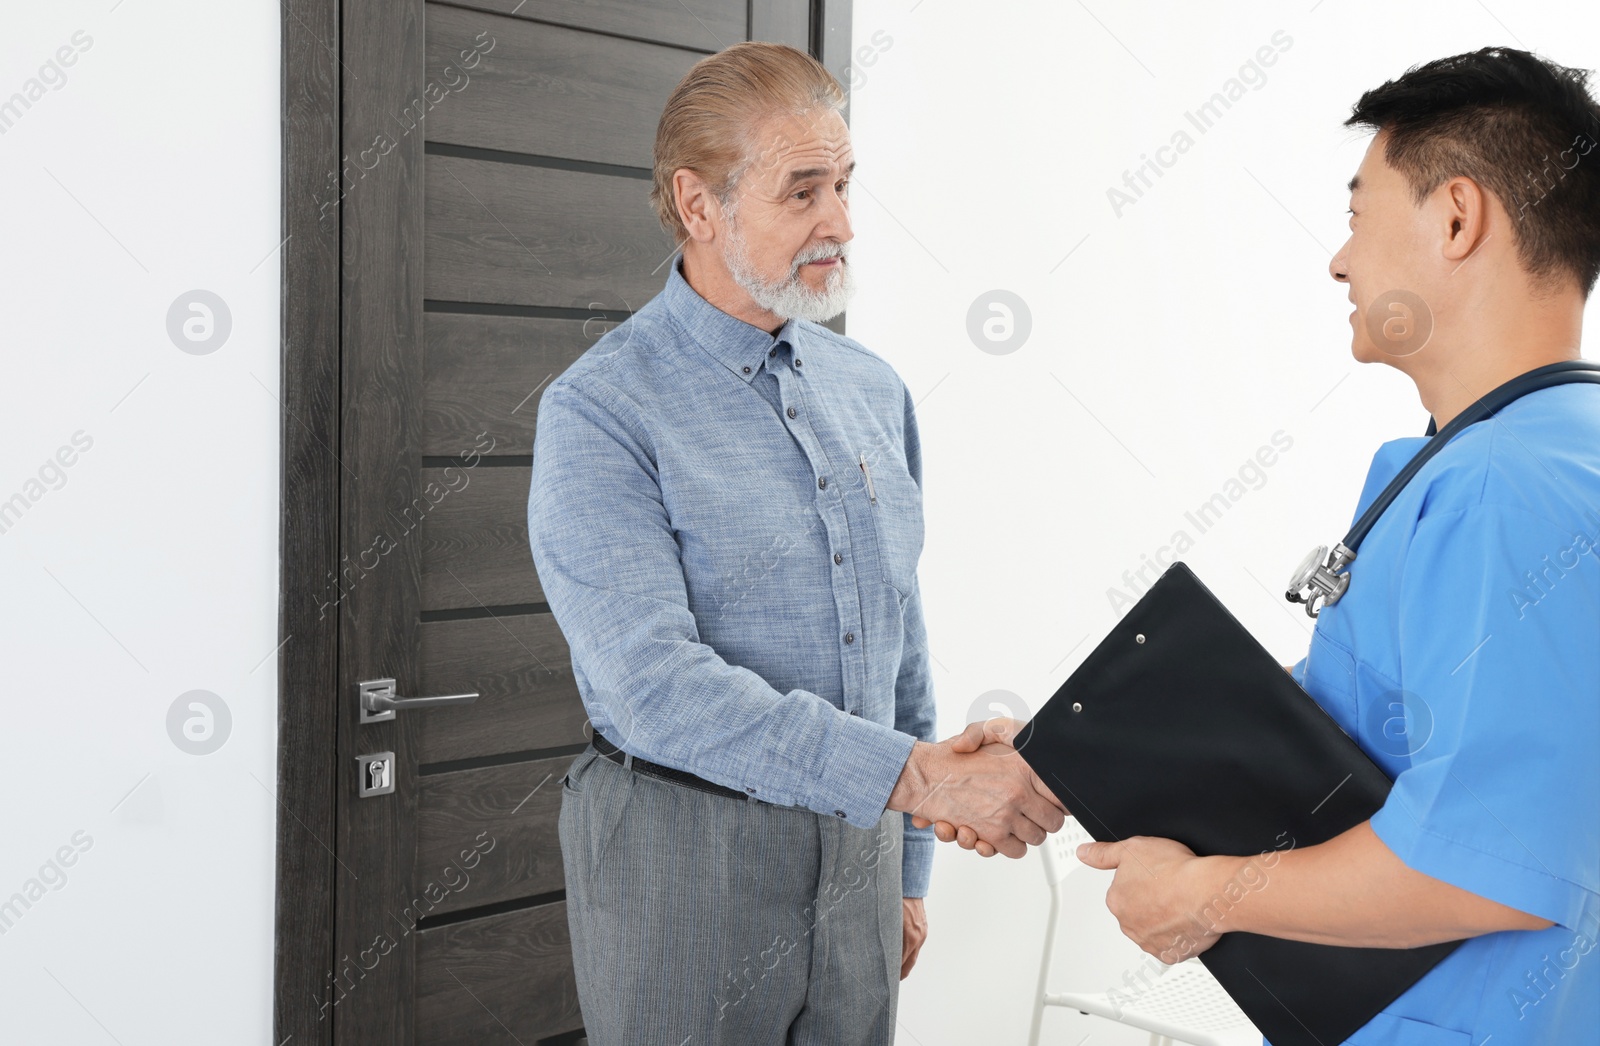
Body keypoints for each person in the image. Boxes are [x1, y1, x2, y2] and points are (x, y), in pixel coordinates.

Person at [922, 47, 1600, 1044]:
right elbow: (1359, 725)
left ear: (1456, 218)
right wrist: (1062, 760)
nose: (1338, 258)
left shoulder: (1506, 492)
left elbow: (1481, 862)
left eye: (1359, 215)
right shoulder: (1503, 457)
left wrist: (1209, 895)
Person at [526, 42, 1065, 1046]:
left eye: (846, 184)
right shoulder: (600, 411)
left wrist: (906, 867)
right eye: (803, 190)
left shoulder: (871, 389)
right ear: (698, 205)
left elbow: (894, 632)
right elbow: (654, 687)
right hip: (680, 858)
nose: (842, 224)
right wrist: (926, 779)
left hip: (860, 857)